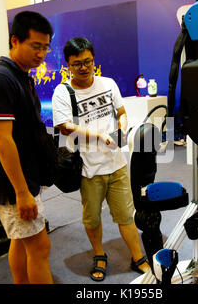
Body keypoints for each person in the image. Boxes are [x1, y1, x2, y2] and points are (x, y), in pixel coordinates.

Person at [52, 37, 150, 281]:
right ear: (68, 65)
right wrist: (99, 136)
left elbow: (122, 113)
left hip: (116, 165)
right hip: (88, 169)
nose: (84, 68)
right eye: (77, 64)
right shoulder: (64, 92)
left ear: (94, 60)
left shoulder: (108, 84)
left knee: (126, 215)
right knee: (92, 217)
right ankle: (99, 254)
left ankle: (138, 257)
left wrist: (122, 130)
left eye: (88, 61)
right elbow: (64, 127)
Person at [0, 11, 54, 284]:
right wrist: (22, 192)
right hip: (13, 184)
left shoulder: (19, 75)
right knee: (39, 247)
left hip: (23, 178)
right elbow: (1, 139)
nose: (41, 53)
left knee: (20, 241)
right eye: (35, 46)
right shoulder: (0, 79)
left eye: (45, 47)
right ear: (14, 40)